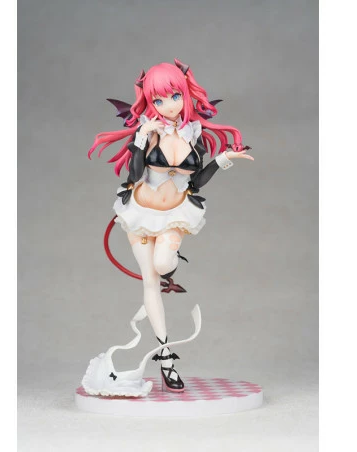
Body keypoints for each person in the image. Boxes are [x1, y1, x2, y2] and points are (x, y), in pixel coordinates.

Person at [89, 59, 253, 392]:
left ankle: (171, 266)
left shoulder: (194, 131)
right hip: (141, 214)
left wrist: (224, 159)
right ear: (150, 101)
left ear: (185, 94)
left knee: (163, 265)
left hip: (175, 215)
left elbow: (197, 181)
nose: (168, 105)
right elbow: (135, 174)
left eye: (174, 96)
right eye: (159, 99)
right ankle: (166, 359)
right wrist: (140, 139)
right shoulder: (149, 129)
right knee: (150, 283)